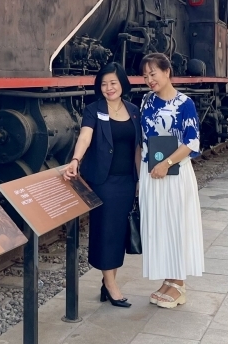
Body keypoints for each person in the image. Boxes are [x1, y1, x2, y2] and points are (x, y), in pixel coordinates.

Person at [63, 62, 141, 308]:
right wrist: (76, 159)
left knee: (119, 232)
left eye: (113, 83)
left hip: (127, 180)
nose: (109, 88)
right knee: (106, 231)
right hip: (104, 181)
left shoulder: (134, 110)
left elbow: (137, 147)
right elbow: (85, 136)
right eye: (104, 84)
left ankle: (108, 282)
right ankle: (111, 285)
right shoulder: (93, 109)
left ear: (122, 84)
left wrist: (139, 180)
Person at [138, 53, 204, 309]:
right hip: (151, 173)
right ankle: (169, 279)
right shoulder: (146, 101)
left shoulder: (185, 103)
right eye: (145, 75)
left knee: (177, 223)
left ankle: (179, 284)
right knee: (160, 225)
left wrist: (166, 164)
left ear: (167, 72)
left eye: (153, 73)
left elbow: (192, 142)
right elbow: (143, 139)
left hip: (174, 174)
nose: (149, 79)